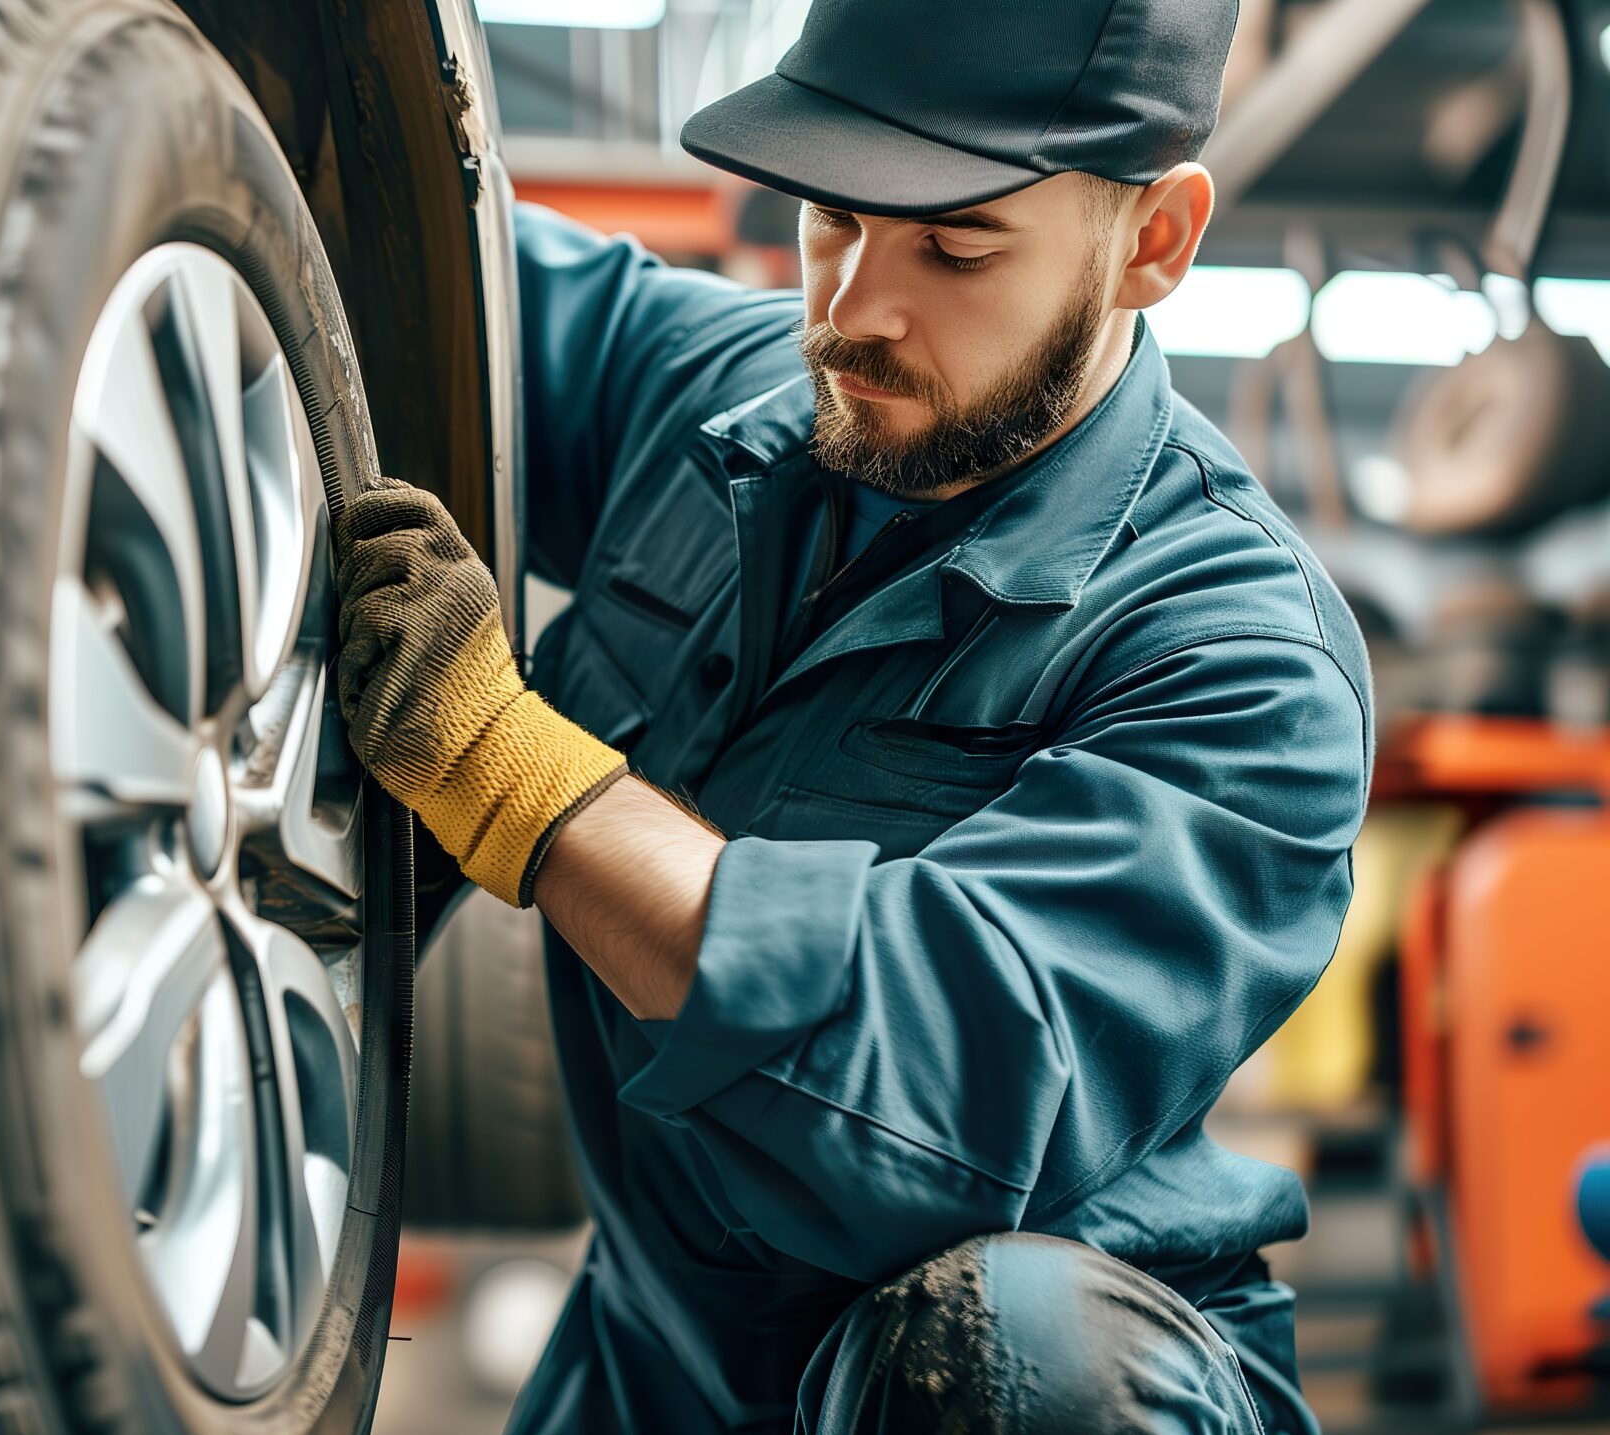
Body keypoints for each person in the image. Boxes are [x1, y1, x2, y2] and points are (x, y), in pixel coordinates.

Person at [330, 0, 1371, 1429]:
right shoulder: (730, 391)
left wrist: (521, 781)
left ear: (1153, 243)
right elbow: (409, 245)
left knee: (1022, 1362)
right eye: (833, 214)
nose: (852, 312)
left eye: (955, 245)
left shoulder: (1239, 662)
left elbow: (920, 1107)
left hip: (1030, 1381)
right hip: (657, 1367)